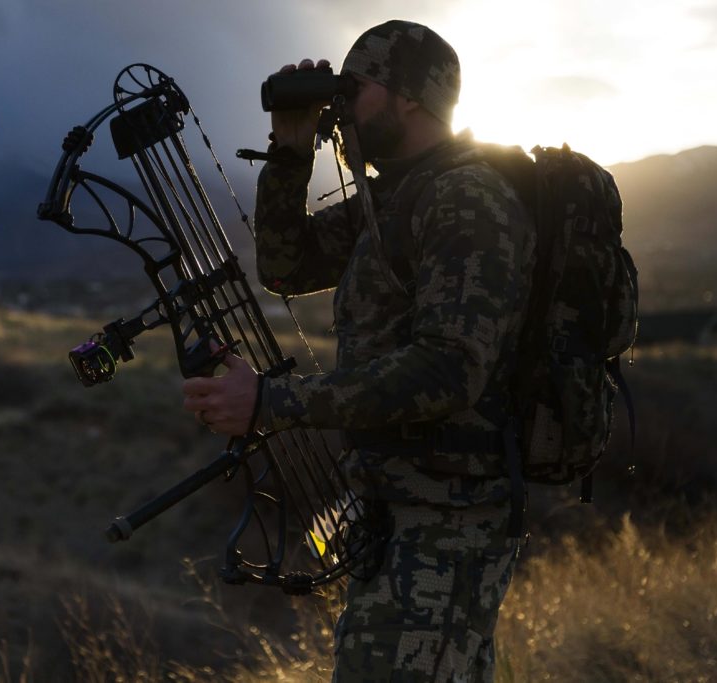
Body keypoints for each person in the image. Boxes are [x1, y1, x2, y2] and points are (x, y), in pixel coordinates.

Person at [182, 20, 535, 681]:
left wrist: (270, 399)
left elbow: (449, 367)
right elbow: (285, 266)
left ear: (410, 95)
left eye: (356, 88)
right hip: (399, 509)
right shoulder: (395, 197)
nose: (341, 107)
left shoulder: (465, 196)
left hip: (446, 517)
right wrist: (290, 152)